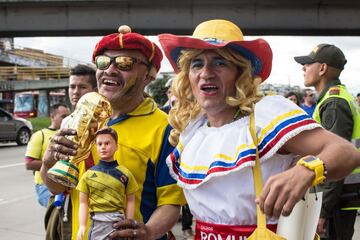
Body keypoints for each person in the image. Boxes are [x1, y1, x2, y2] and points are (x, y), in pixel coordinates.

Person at [158, 19, 360, 239]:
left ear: (240, 72)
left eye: (220, 63)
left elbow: (346, 153)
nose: (206, 73)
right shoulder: (193, 128)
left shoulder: (266, 115)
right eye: (197, 63)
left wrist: (306, 171)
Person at [40, 25, 185, 240]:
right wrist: (48, 163)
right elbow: (56, 187)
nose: (110, 69)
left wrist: (147, 232)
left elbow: (171, 204)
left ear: (148, 76)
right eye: (103, 62)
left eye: (125, 63)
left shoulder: (166, 128)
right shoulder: (78, 118)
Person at [294, 43, 360, 240]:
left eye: (308, 64)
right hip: (338, 196)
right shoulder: (333, 99)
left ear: (322, 68)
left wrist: (322, 210)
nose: (303, 68)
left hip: (337, 199)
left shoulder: (334, 103)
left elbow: (334, 160)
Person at [44, 64, 97, 240]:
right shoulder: (67, 122)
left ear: (94, 90)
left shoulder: (104, 119)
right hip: (69, 197)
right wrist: (48, 162)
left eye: (82, 87)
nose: (75, 92)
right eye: (72, 86)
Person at [76, 127, 138, 240]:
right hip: (97, 223)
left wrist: (129, 224)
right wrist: (82, 226)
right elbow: (83, 203)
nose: (103, 147)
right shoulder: (88, 175)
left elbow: (131, 201)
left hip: (118, 223)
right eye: (99, 144)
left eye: (107, 143)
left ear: (116, 146)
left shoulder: (125, 174)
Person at [25, 103, 70, 207]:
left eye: (69, 116)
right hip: (44, 185)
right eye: (63, 116)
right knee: (58, 212)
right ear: (52, 117)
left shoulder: (70, 134)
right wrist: (56, 164)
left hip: (65, 184)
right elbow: (29, 163)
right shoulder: (39, 135)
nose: (67, 119)